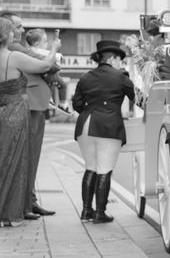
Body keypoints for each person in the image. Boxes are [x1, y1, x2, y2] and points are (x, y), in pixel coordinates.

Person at [0, 18, 58, 227]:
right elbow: (45, 65)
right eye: (12, 32)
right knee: (15, 162)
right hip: (15, 113)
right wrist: (53, 48)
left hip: (2, 110)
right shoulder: (13, 56)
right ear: (6, 35)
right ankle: (9, 213)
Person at [71, 40, 135, 223]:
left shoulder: (85, 77)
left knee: (90, 167)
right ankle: (100, 212)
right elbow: (137, 97)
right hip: (108, 125)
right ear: (113, 59)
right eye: (119, 60)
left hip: (84, 125)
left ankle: (86, 211)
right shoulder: (121, 76)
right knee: (105, 169)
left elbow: (77, 104)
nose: (120, 64)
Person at [25, 28, 69, 111]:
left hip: (40, 75)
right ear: (37, 44)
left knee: (51, 84)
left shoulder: (28, 51)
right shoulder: (40, 52)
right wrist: (57, 64)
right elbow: (52, 63)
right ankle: (63, 104)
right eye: (45, 41)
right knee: (62, 85)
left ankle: (50, 99)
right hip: (47, 73)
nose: (47, 43)